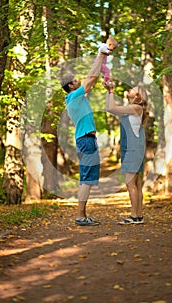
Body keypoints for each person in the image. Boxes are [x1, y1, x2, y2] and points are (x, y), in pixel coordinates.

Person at [61, 53, 105, 226]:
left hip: (86, 140)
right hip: (86, 141)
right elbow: (91, 78)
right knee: (86, 180)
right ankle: (80, 216)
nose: (78, 80)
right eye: (75, 80)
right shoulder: (73, 97)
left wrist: (101, 62)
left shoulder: (76, 98)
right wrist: (100, 55)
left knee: (87, 179)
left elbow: (91, 80)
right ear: (71, 86)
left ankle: (83, 215)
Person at [104, 81, 148, 224]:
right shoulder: (134, 108)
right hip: (134, 148)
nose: (130, 89)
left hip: (133, 149)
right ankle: (139, 216)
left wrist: (111, 90)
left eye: (133, 89)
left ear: (137, 97)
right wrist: (108, 92)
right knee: (136, 183)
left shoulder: (135, 107)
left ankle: (134, 216)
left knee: (130, 183)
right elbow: (109, 107)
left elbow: (111, 108)